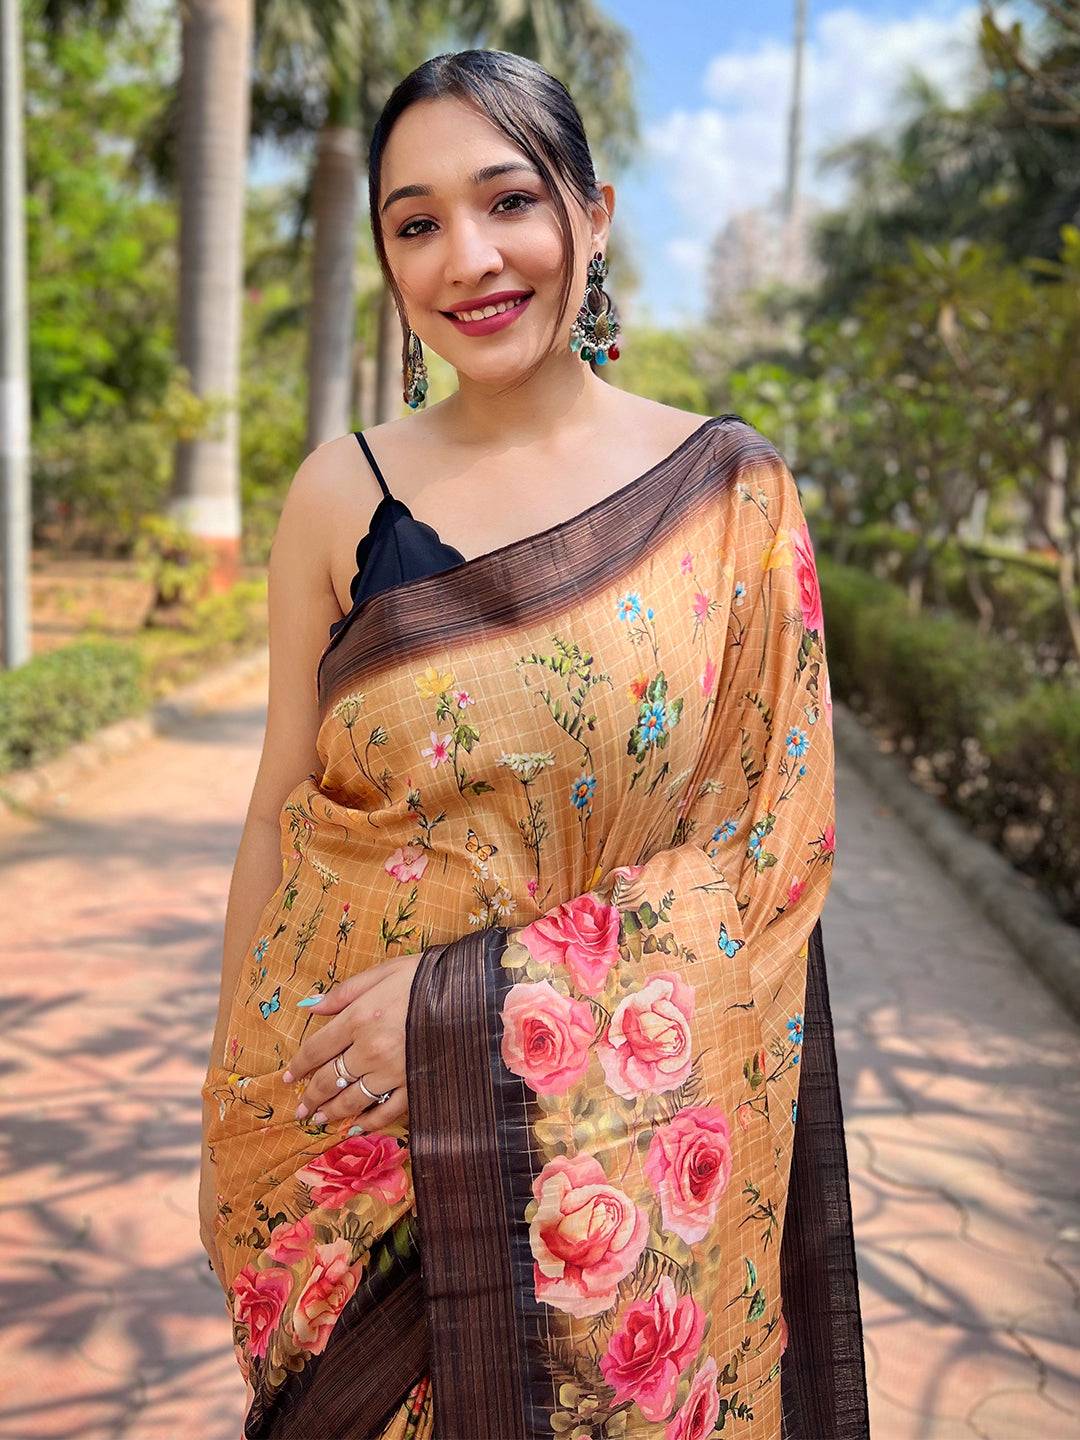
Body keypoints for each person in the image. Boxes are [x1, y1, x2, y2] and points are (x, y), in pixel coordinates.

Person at [199, 48, 869, 1440]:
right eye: (417, 221)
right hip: (347, 1157)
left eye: (509, 200)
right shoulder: (344, 493)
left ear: (594, 212)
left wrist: (467, 1009)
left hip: (608, 1188)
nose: (470, 257)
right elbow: (280, 806)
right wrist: (240, 1099)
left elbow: (767, 856)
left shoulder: (727, 498)